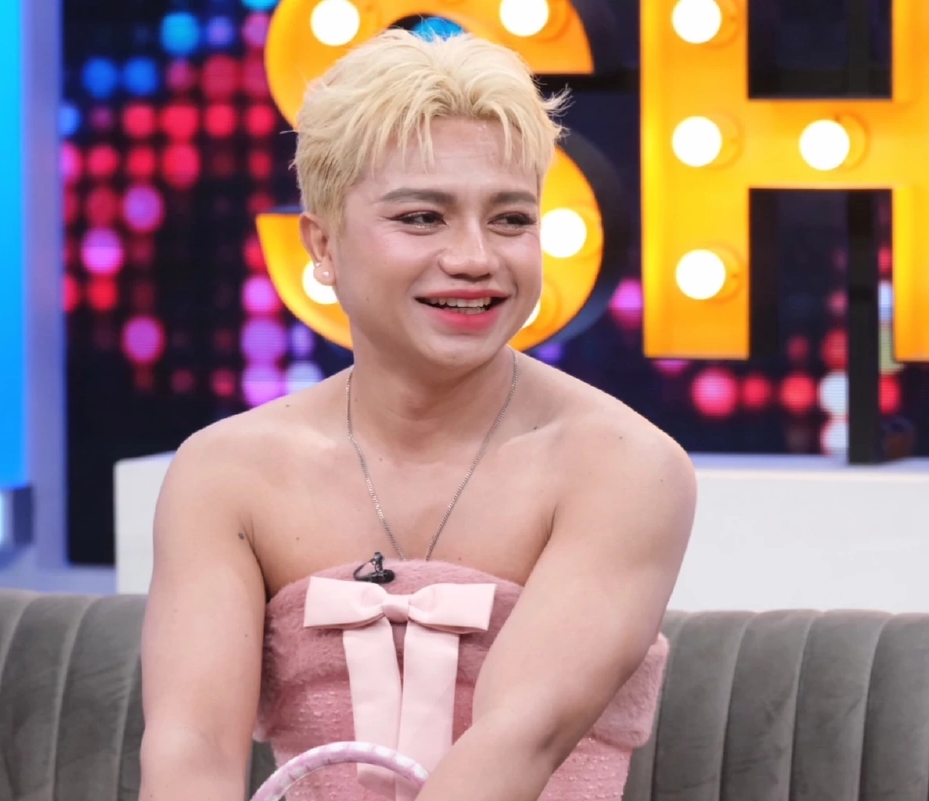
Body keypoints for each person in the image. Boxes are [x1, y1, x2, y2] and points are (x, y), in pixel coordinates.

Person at [139, 28, 697, 801]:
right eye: (422, 218)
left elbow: (520, 737)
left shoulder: (626, 466)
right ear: (322, 244)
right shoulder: (223, 473)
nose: (475, 258)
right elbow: (190, 749)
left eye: (510, 219)